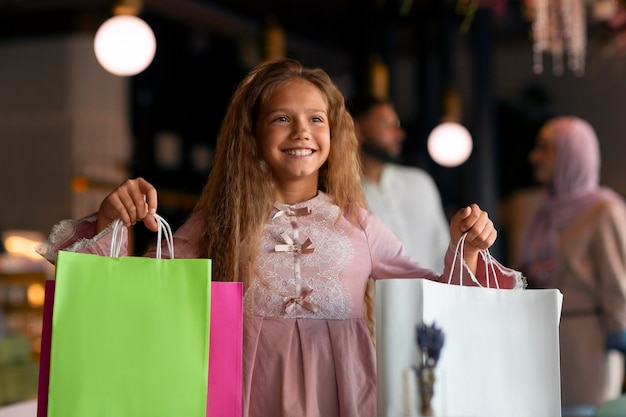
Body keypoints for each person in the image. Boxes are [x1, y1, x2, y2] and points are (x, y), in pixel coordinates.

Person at [38, 57, 524, 417]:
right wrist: (111, 223)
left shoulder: (358, 222)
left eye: (317, 118)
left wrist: (470, 250)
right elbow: (139, 290)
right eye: (281, 117)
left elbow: (434, 295)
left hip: (349, 395)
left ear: (334, 134)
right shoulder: (219, 220)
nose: (302, 131)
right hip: (245, 391)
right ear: (252, 133)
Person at [349, 94, 450, 416]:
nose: (398, 132)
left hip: (431, 323)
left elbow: (441, 253)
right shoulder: (340, 193)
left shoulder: (420, 183)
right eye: (387, 123)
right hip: (370, 332)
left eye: (398, 124)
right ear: (357, 129)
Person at [518, 116, 626, 417]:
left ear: (571, 153)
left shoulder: (605, 211)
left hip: (587, 351)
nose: (534, 156)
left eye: (545, 148)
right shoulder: (542, 215)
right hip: (541, 346)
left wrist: (620, 336)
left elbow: (619, 285)